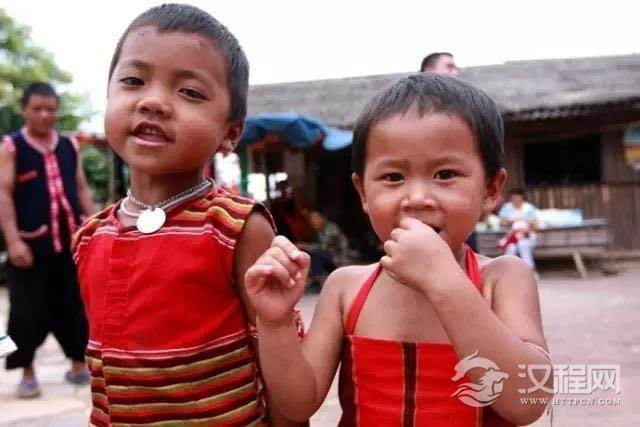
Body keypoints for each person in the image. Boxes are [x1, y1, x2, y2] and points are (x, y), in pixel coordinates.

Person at [245, 74, 553, 426]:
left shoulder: (502, 279)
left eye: (445, 174)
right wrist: (275, 323)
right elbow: (298, 405)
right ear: (363, 192)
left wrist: (444, 282)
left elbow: (527, 402)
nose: (417, 198)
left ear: (491, 189)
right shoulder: (345, 288)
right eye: (393, 177)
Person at [72, 5, 300, 426]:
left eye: (190, 92)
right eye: (133, 81)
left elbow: (280, 360)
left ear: (230, 133)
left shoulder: (237, 227)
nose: (153, 102)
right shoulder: (89, 236)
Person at [0, 82, 94, 398]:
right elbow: (3, 194)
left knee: (75, 308)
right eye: (37, 109)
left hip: (69, 243)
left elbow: (80, 188)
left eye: (51, 109)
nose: (44, 115)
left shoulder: (69, 145)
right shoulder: (12, 147)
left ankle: (79, 365)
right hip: (30, 246)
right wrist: (13, 241)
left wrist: (92, 225)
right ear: (24, 110)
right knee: (25, 312)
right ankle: (27, 372)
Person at [298, 209, 351, 288]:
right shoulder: (320, 231)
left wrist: (305, 246)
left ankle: (319, 279)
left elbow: (324, 247)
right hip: (331, 257)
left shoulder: (331, 229)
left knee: (317, 254)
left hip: (340, 258)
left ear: (323, 218)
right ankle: (316, 279)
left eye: (316, 218)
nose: (313, 221)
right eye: (311, 219)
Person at [498, 188, 539, 270]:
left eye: (517, 197)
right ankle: (510, 270)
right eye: (513, 197)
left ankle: (529, 269)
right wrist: (512, 221)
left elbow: (536, 225)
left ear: (522, 197)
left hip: (527, 235)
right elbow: (501, 222)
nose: (515, 199)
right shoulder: (507, 207)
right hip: (512, 236)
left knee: (523, 245)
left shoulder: (529, 208)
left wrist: (527, 228)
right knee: (511, 248)